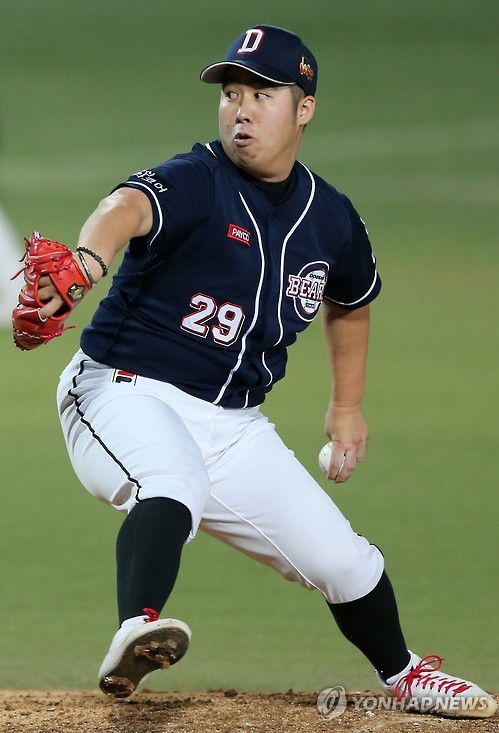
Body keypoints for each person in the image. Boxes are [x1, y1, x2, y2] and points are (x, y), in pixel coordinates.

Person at [31, 25, 495, 718]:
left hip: (233, 424)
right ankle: (136, 628)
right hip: (120, 389)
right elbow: (122, 208)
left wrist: (347, 406)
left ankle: (403, 674)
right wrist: (89, 262)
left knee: (346, 561)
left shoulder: (331, 216)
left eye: (261, 93)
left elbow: (352, 302)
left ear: (303, 107)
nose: (239, 109)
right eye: (231, 93)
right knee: (171, 481)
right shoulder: (195, 178)